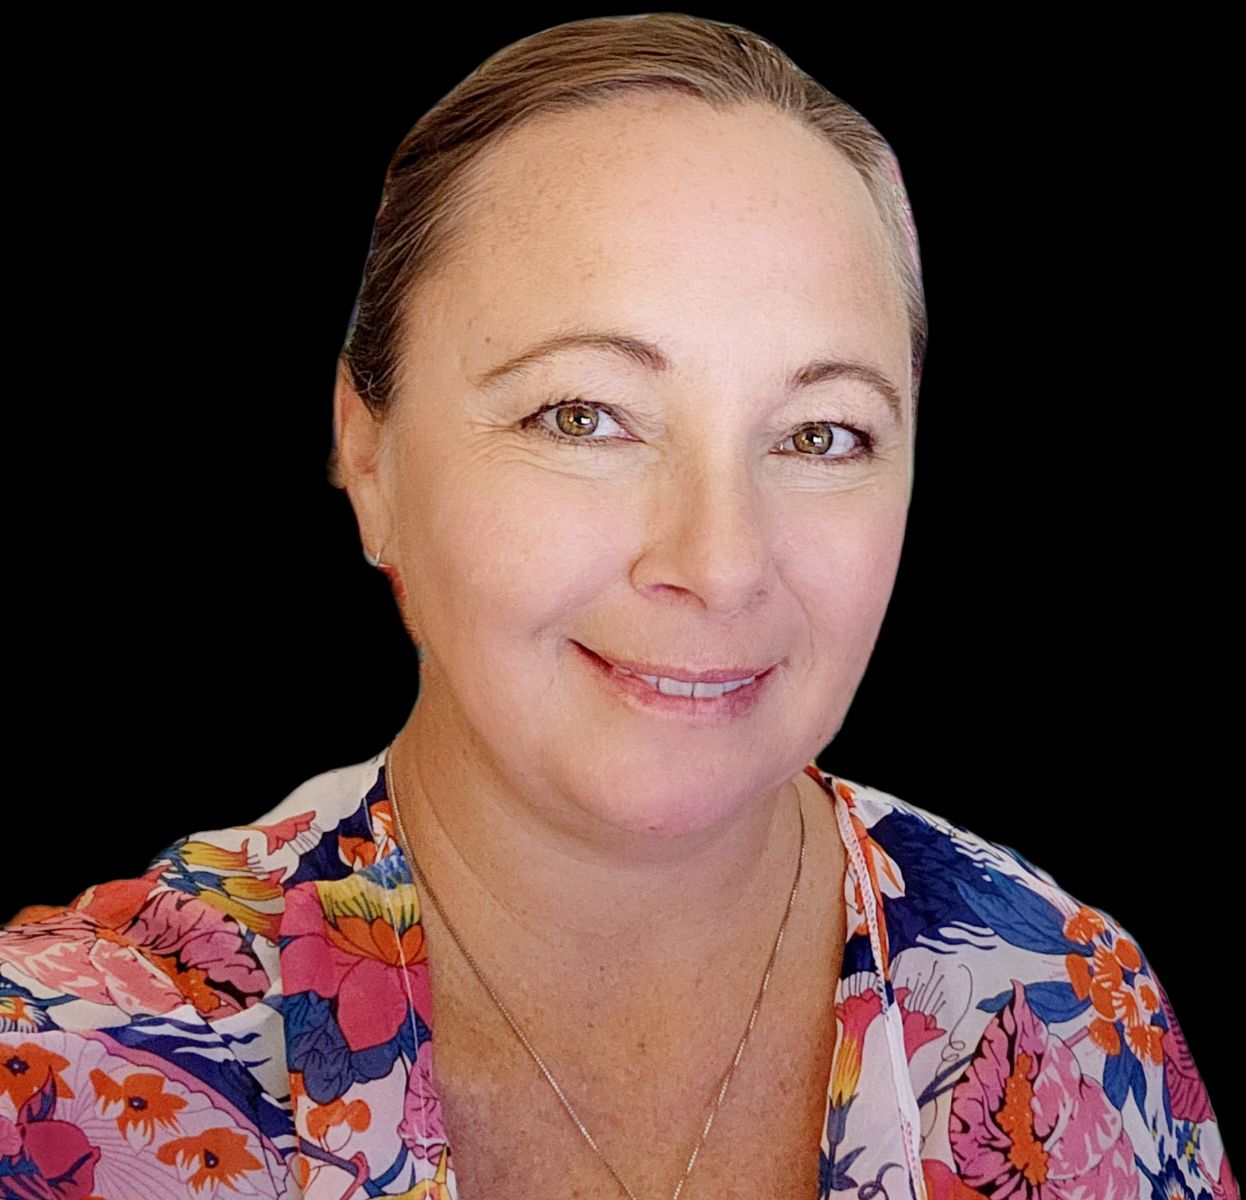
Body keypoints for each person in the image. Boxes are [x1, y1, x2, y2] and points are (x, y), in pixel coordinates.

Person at [0, 14, 1233, 1200]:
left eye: (820, 433)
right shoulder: (65, 1080)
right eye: (581, 415)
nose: (720, 562)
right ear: (368, 456)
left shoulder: (1067, 1007)